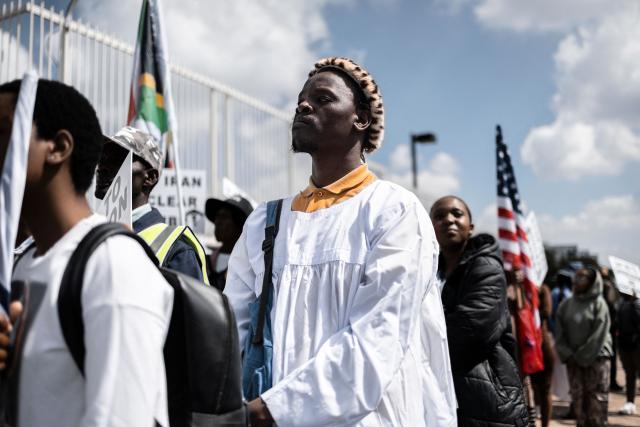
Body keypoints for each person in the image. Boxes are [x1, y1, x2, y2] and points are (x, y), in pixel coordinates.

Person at [224, 57, 456, 426]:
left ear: (361, 119)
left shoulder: (394, 211)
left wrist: (273, 410)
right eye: (301, 98)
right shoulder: (263, 223)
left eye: (323, 98)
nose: (302, 105)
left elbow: (376, 339)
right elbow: (231, 332)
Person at [0, 79, 173, 425]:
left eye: (4, 130)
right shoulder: (22, 262)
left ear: (58, 147)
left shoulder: (114, 265)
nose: (106, 169)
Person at [430, 195, 529, 426]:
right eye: (439, 216)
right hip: (445, 393)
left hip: (488, 398)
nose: (448, 220)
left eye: (457, 213)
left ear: (470, 227)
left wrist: (419, 342)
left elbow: (471, 330)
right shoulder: (427, 270)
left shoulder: (487, 267)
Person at [95, 126, 209, 284]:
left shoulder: (176, 248)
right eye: (102, 158)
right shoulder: (93, 235)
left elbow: (193, 308)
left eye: (119, 160)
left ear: (150, 177)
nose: (102, 167)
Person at [555, 267, 613, 427]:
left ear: (592, 282)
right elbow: (559, 333)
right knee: (579, 401)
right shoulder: (566, 305)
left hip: (597, 359)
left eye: (581, 277)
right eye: (576, 277)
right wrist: (568, 354)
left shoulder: (599, 304)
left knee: (596, 403)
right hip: (573, 361)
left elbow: (599, 334)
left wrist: (582, 355)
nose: (576, 280)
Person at [204, 195, 253, 290]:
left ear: (242, 225)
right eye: (217, 216)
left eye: (225, 217)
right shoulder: (204, 262)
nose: (218, 222)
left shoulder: (251, 267)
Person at [530, 282, 555, 427]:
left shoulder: (542, 288)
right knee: (528, 389)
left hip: (541, 346)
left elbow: (546, 311)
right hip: (523, 346)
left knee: (544, 389)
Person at [616, 292, 640, 415]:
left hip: (637, 346)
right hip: (625, 345)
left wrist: (634, 305)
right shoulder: (622, 304)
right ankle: (630, 403)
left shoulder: (637, 304)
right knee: (630, 375)